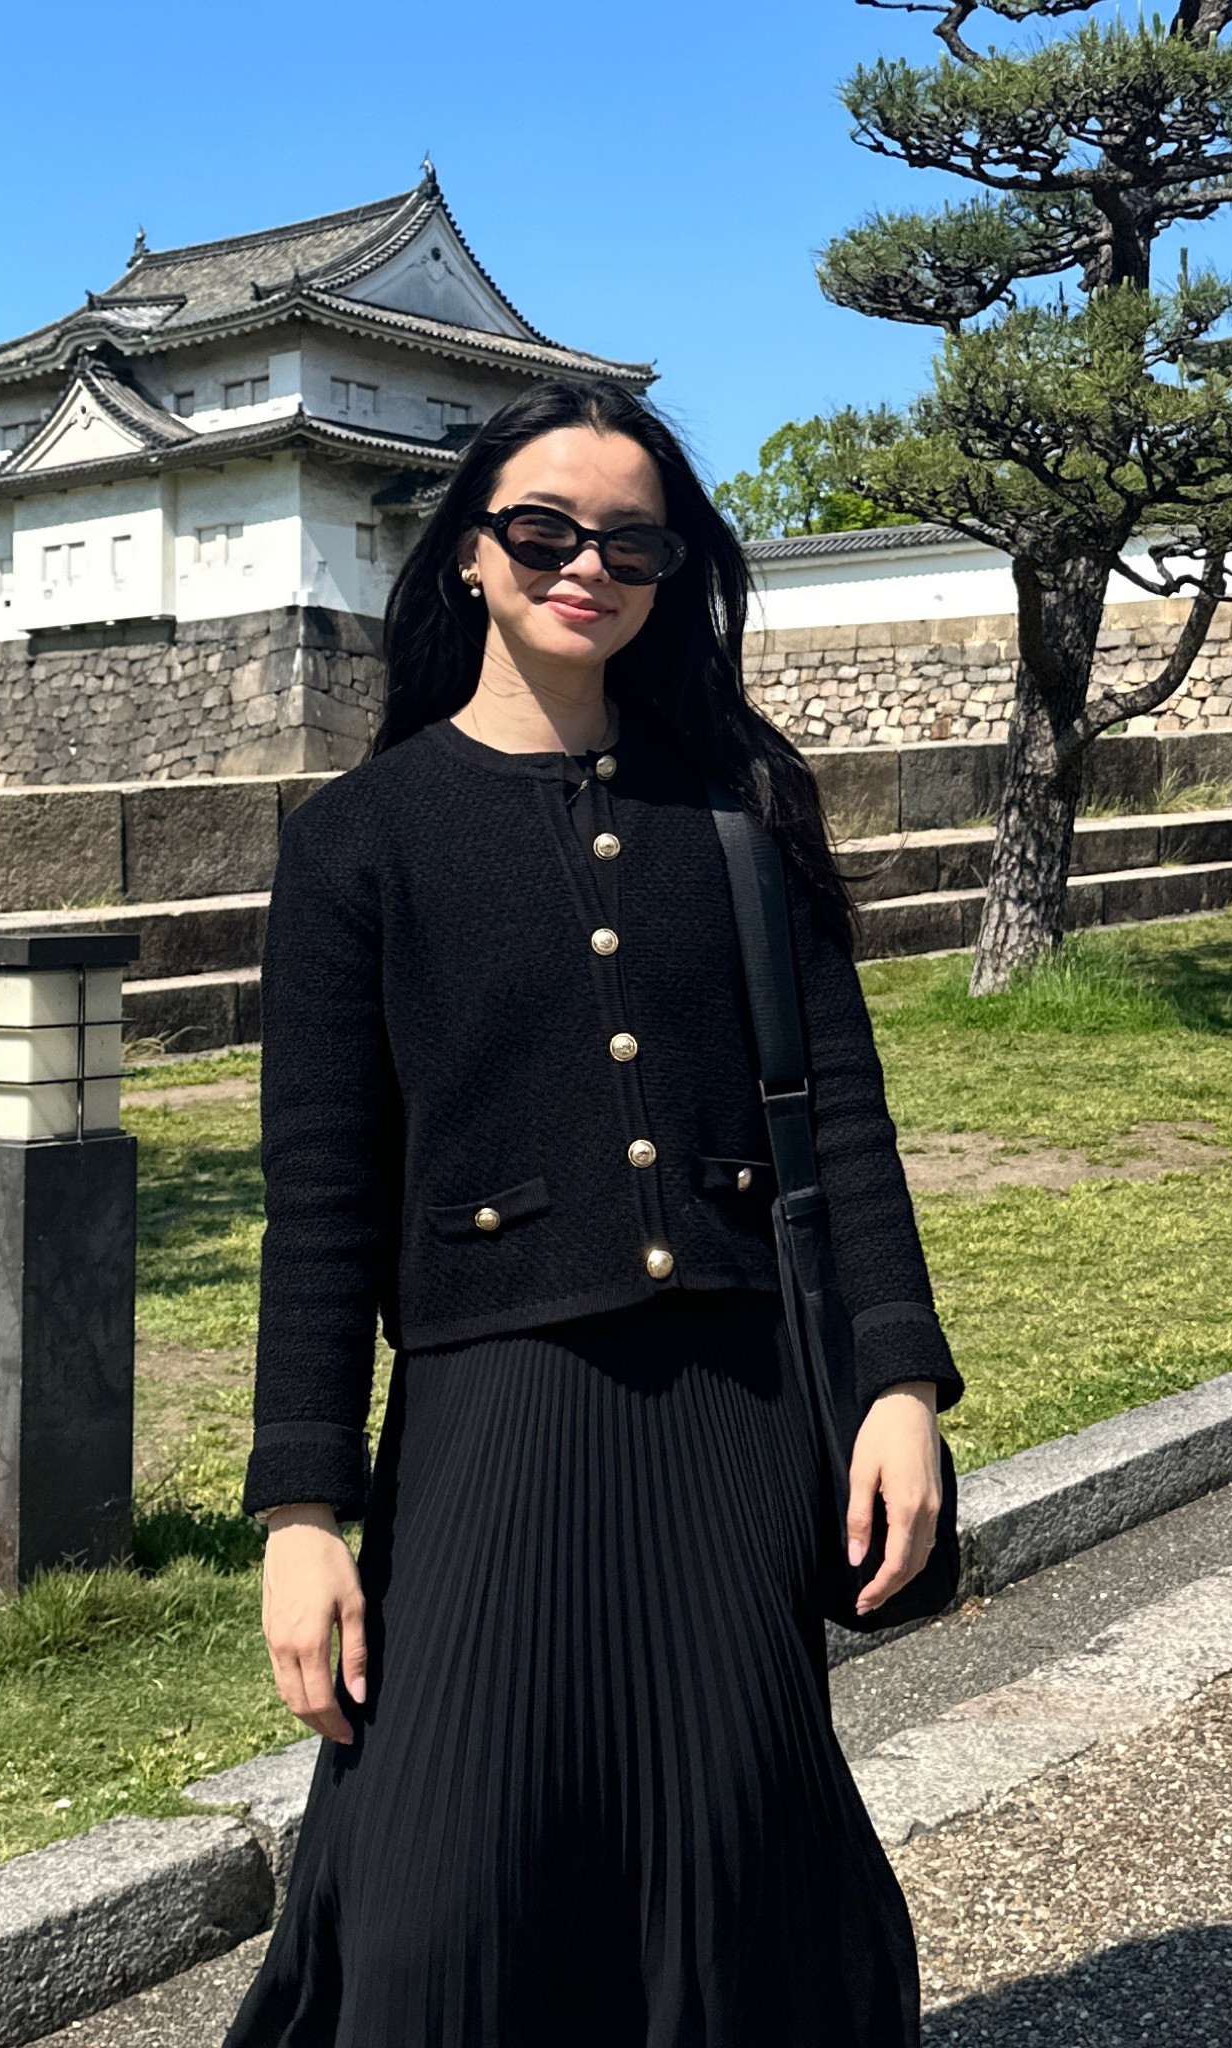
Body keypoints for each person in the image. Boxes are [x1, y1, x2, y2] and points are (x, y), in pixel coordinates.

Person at [224, 380, 962, 2048]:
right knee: (437, 1899)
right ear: (471, 558)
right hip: (494, 1412)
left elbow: (845, 1124)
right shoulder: (358, 844)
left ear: (674, 570)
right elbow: (322, 1210)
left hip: (738, 1414)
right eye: (542, 531)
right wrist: (300, 1512)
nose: (586, 565)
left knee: (733, 1854)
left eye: (633, 540)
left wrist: (901, 1383)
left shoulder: (742, 820)